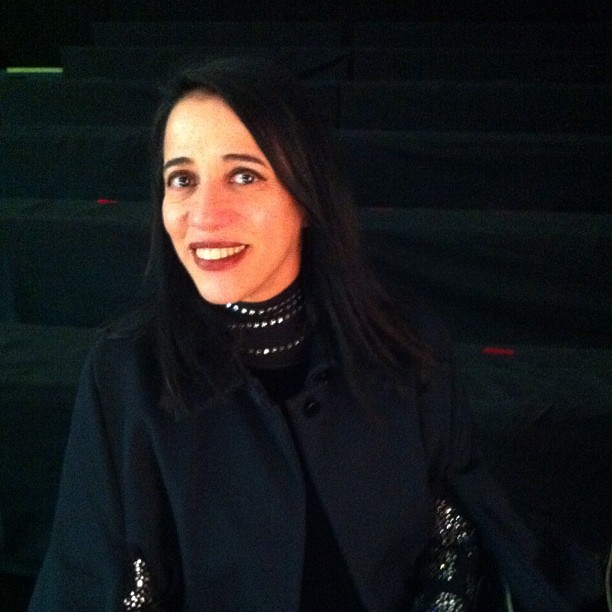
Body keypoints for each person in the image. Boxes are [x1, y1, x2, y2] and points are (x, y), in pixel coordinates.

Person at [28, 58, 601, 611]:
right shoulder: (123, 373)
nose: (203, 214)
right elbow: (101, 579)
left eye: (244, 175)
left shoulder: (408, 345)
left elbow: (453, 539)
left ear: (307, 197)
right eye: (182, 179)